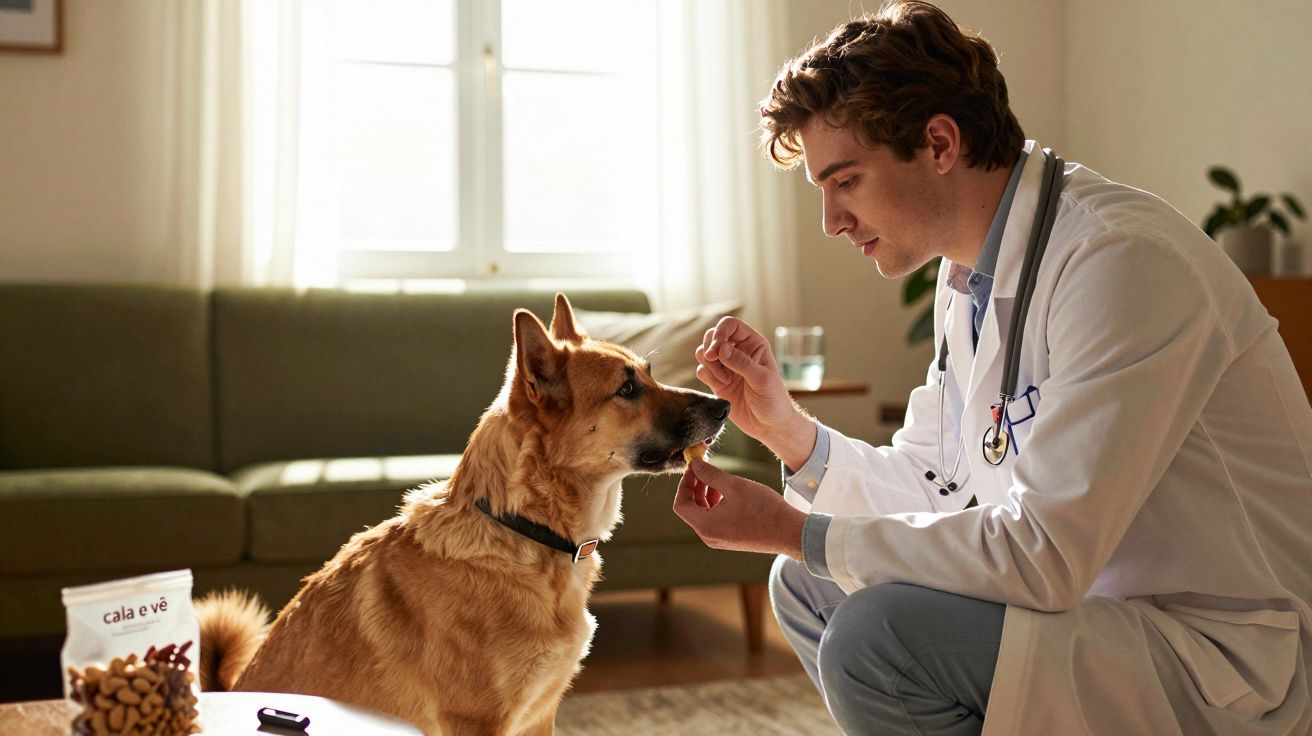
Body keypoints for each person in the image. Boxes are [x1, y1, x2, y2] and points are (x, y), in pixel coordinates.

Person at [672, 2, 1312, 734]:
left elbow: (1044, 555)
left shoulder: (1121, 262)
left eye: (845, 181)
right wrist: (786, 431)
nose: (831, 221)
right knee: (808, 586)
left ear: (939, 142)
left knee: (871, 634)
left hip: (1225, 654)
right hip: (1105, 614)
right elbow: (933, 485)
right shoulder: (973, 283)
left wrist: (798, 530)